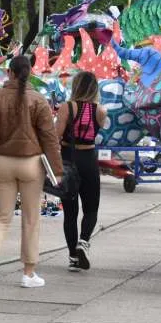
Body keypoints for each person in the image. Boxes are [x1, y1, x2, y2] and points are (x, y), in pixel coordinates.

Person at [0, 55, 63, 289]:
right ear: (30, 72)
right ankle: (28, 273)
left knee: (1, 217)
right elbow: (49, 138)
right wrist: (57, 170)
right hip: (31, 164)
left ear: (10, 73)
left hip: (2, 162)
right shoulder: (38, 100)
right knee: (31, 218)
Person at [55, 71, 107, 271]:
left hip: (68, 159)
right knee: (91, 208)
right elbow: (97, 132)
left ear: (75, 86)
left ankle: (73, 256)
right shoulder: (100, 111)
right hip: (89, 160)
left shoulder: (66, 108)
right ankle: (83, 242)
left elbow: (55, 136)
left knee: (70, 211)